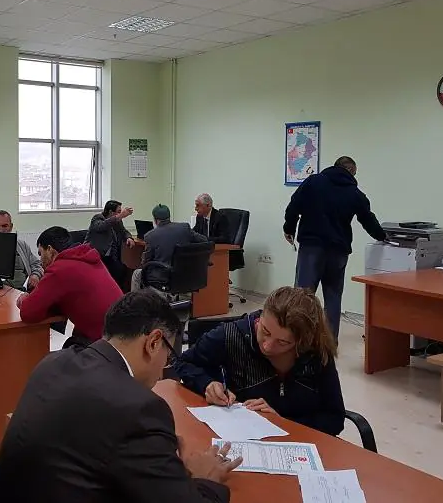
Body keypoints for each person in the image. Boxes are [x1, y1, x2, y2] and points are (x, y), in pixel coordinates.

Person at [0, 291, 241, 503]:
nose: (163, 369)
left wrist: (155, 453)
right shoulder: (140, 408)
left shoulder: (54, 361)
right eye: (168, 356)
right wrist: (203, 479)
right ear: (154, 342)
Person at [174, 286, 345, 436]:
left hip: (301, 445)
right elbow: (183, 363)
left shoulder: (316, 353)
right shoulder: (232, 336)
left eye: (282, 342)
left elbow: (335, 419)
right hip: (244, 439)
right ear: (260, 317)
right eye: (265, 331)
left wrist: (283, 423)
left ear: (301, 343)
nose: (267, 346)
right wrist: (207, 384)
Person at [283, 156, 386, 340]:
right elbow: (368, 219)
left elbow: (293, 207)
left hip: (312, 247)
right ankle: (330, 344)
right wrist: (383, 236)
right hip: (338, 250)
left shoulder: (313, 182)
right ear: (351, 171)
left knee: (302, 296)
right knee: (333, 297)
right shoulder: (354, 193)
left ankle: (299, 339)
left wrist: (288, 229)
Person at [17, 226, 122, 348]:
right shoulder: (88, 258)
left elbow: (28, 313)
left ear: (50, 250)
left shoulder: (60, 269)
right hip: (123, 334)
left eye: (41, 253)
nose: (41, 260)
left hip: (105, 343)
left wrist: (24, 299)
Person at [131, 204, 207, 292]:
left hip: (163, 275)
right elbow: (204, 240)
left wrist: (142, 261)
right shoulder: (184, 228)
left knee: (136, 274)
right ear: (169, 216)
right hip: (185, 274)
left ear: (155, 220)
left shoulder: (150, 236)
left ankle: (135, 299)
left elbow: (146, 261)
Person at [0, 210, 43, 290]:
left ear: (11, 227)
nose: (1, 230)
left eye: (5, 226)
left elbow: (37, 264)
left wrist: (35, 275)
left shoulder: (21, 245)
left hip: (24, 290)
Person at [86, 199, 135, 288]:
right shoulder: (97, 218)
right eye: (118, 211)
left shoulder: (117, 220)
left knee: (123, 270)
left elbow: (124, 231)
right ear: (110, 212)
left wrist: (129, 237)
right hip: (97, 255)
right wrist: (120, 216)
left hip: (112, 256)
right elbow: (102, 226)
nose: (120, 214)